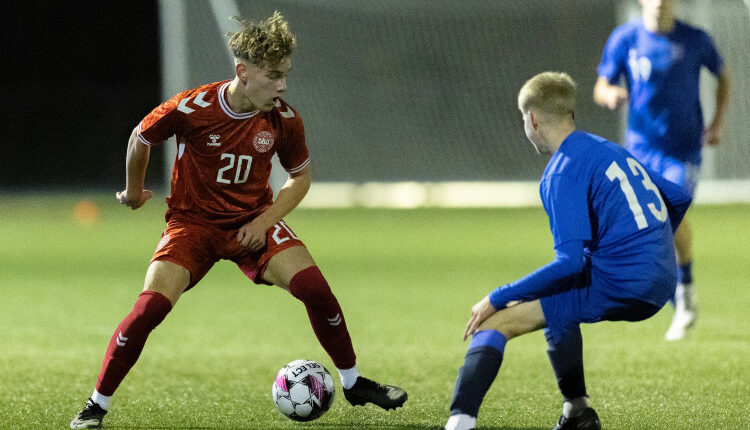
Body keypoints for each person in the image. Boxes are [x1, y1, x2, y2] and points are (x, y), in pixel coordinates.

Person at [70, 12, 407, 429]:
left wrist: (264, 221)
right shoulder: (193, 107)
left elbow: (300, 178)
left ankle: (354, 383)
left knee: (315, 288)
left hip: (252, 221)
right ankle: (96, 405)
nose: (282, 85)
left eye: (286, 75)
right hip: (192, 225)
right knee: (149, 309)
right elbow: (141, 136)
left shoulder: (283, 119)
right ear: (242, 72)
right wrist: (135, 191)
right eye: (273, 76)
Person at [444, 72, 692, 430]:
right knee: (559, 304)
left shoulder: (561, 172)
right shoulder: (610, 149)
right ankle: (577, 412)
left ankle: (459, 423)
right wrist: (650, 248)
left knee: (494, 322)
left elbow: (569, 261)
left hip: (624, 282)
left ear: (532, 118)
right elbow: (679, 196)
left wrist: (497, 296)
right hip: (662, 278)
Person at [594, 0, 730, 341]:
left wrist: (716, 123)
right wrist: (609, 93)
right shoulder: (625, 39)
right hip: (640, 152)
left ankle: (684, 291)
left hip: (683, 150)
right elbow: (601, 85)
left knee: (670, 214)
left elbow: (723, 76)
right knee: (646, 234)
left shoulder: (695, 38)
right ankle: (680, 296)